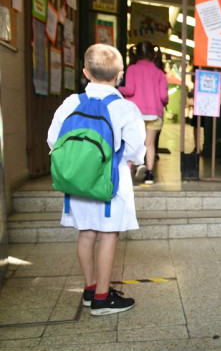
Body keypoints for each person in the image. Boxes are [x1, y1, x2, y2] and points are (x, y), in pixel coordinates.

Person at [47, 44, 146, 315]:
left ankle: (90, 289)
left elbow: (53, 140)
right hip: (110, 183)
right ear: (120, 75)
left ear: (85, 72)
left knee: (86, 234)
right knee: (108, 235)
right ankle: (103, 298)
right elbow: (137, 150)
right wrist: (134, 162)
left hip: (77, 183)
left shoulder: (71, 103)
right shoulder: (125, 108)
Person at [119, 41, 169, 185]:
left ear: (137, 53)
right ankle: (149, 175)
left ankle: (134, 167)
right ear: (153, 54)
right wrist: (162, 103)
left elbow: (130, 90)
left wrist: (117, 89)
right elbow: (164, 96)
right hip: (154, 113)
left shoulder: (132, 69)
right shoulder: (159, 72)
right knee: (150, 144)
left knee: (134, 142)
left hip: (136, 113)